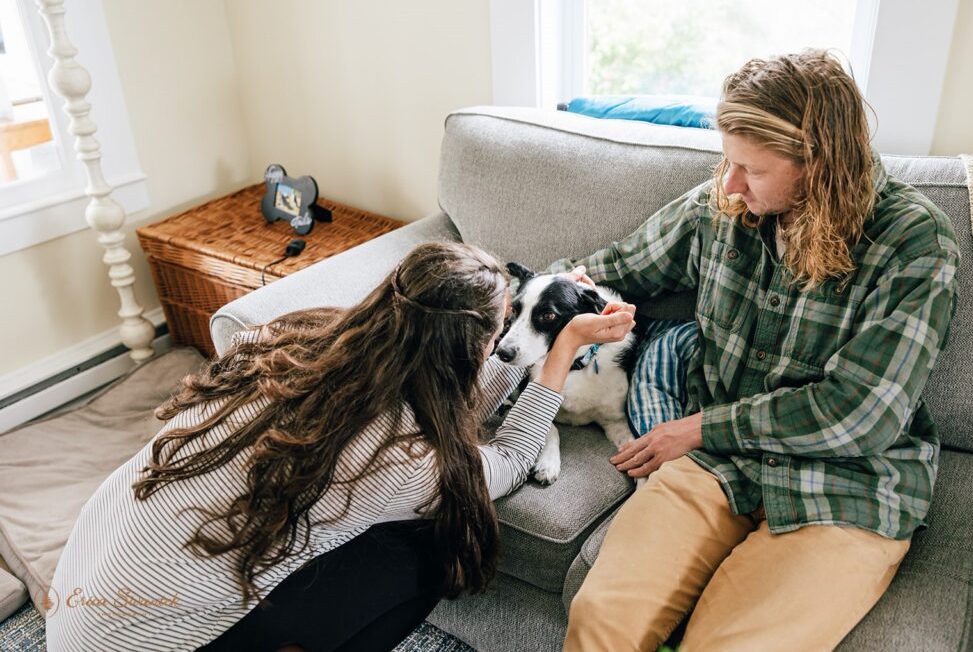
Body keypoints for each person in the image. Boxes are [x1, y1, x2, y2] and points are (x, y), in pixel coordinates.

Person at [556, 49, 960, 651]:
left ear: (819, 166)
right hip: (718, 469)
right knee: (600, 621)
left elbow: (860, 414)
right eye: (727, 161)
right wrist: (526, 306)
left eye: (752, 169)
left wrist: (698, 428)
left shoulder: (913, 242)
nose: (729, 183)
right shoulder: (721, 207)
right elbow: (612, 269)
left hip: (848, 485)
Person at [45, 241, 636, 652]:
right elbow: (503, 465)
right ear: (465, 352)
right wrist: (558, 356)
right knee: (435, 546)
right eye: (499, 332)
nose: (506, 344)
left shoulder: (290, 338)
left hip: (78, 596)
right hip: (153, 640)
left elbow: (461, 391)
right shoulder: (401, 460)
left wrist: (522, 344)